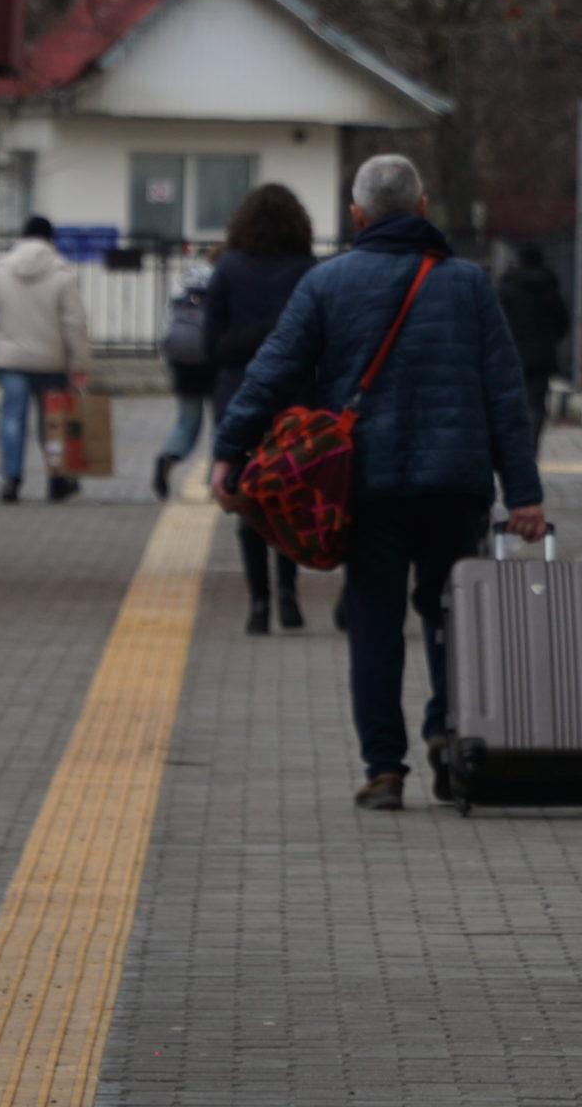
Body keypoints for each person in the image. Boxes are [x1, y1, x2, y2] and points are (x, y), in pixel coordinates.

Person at [212, 155, 545, 812]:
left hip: (367, 485)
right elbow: (505, 393)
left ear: (357, 216)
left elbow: (273, 370)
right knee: (454, 616)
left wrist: (228, 451)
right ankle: (450, 743)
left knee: (374, 623)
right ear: (423, 209)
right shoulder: (470, 285)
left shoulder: (326, 283)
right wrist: (524, 492)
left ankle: (385, 768)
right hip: (456, 486)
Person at [204, 184, 319, 635]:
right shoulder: (309, 272)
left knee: (247, 498)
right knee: (289, 496)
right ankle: (289, 595)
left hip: (239, 398)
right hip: (297, 402)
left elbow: (214, 347)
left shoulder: (228, 269)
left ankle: (258, 603)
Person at [0, 216, 92, 504]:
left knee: (12, 419)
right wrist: (80, 366)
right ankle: (57, 481)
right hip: (52, 361)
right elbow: (75, 323)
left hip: (11, 361)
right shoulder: (63, 273)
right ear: (50, 239)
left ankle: (11, 480)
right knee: (53, 423)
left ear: (22, 236)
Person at [153, 250, 218, 501]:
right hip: (213, 368)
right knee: (220, 424)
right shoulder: (218, 302)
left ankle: (168, 456)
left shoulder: (178, 303)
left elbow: (164, 336)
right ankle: (215, 478)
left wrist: (168, 368)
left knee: (186, 423)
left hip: (183, 368)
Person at [494, 241, 571, 449]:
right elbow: (563, 323)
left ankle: (512, 450)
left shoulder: (505, 289)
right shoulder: (550, 288)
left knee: (509, 404)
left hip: (509, 355)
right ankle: (530, 448)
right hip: (541, 356)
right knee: (536, 406)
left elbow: (494, 322)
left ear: (518, 261)